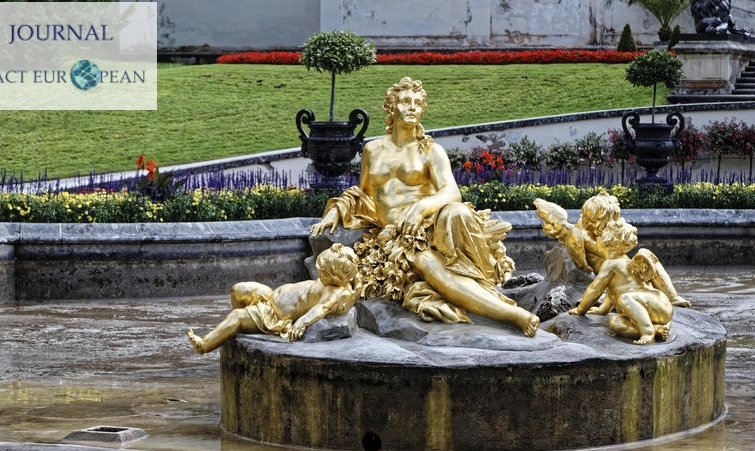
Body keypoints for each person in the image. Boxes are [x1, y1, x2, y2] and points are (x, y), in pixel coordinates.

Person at [311, 77, 539, 336]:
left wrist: (421, 208)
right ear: (391, 107)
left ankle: (491, 294)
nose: (413, 107)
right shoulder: (372, 151)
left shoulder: (431, 151)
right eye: (406, 101)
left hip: (432, 223)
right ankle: (514, 315)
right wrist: (336, 210)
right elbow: (363, 196)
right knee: (427, 264)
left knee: (459, 211)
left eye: (418, 103)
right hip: (399, 238)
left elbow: (452, 192)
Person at [187, 243, 360, 354]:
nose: (320, 272)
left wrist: (303, 322)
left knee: (237, 316)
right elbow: (357, 280)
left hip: (274, 316)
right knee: (238, 290)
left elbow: (322, 308)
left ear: (337, 277)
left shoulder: (336, 292)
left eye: (325, 272)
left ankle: (205, 345)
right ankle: (238, 327)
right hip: (271, 296)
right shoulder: (345, 277)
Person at [534, 192, 690, 308]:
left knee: (647, 257)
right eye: (611, 218)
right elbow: (616, 250)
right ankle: (670, 297)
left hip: (623, 273)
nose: (615, 221)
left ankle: (672, 296)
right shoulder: (586, 238)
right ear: (598, 218)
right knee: (645, 257)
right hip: (616, 279)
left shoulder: (587, 227)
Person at [568, 218, 673, 344]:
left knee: (625, 299)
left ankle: (647, 332)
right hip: (657, 308)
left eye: (600, 237)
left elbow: (595, 289)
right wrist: (603, 310)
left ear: (609, 242)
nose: (597, 239)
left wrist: (580, 310)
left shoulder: (611, 264)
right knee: (615, 323)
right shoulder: (624, 260)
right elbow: (614, 290)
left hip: (656, 304)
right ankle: (658, 329)